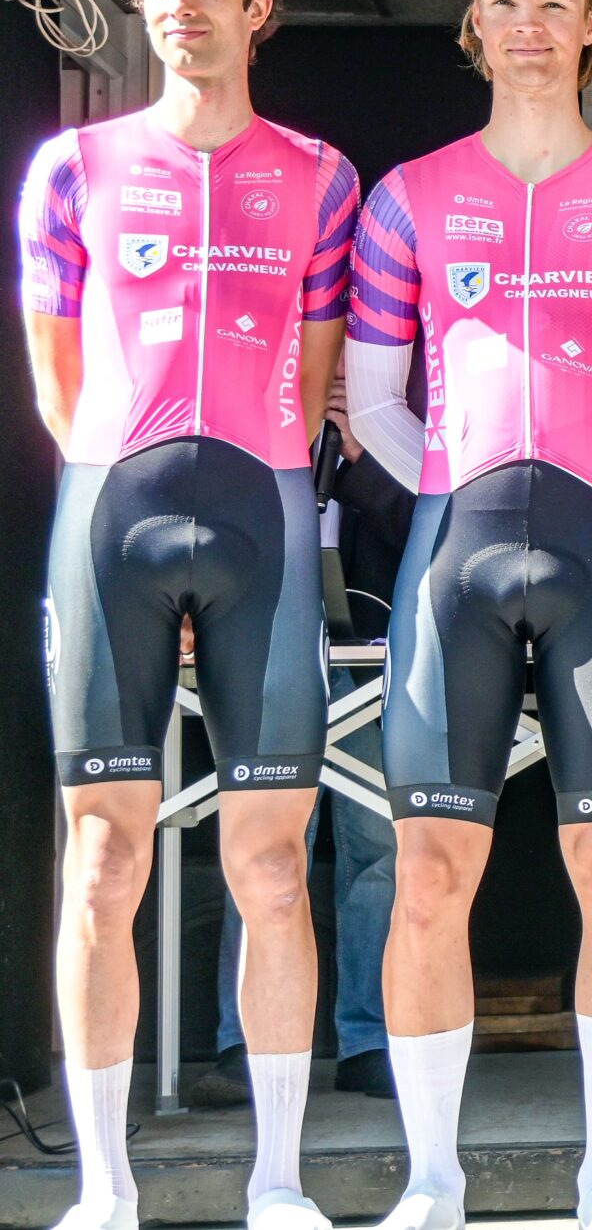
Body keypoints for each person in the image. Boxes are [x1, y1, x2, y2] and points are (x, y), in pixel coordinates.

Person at [346, 0, 592, 1230]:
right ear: (475, 27)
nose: (530, 27)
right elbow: (371, 401)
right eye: (505, 3)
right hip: (457, 560)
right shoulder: (410, 196)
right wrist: (451, 489)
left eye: (554, 4)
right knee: (431, 874)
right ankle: (431, 1177)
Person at [17, 0, 357, 1230]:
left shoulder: (321, 175)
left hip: (261, 515)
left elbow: (313, 382)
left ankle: (278, 1179)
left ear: (256, 7)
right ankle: (104, 1187)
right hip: (115, 515)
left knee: (272, 863)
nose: (182, 10)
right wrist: (123, 481)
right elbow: (56, 381)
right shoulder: (74, 167)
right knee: (104, 859)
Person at [195, 371, 411, 1110]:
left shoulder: (401, 413)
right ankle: (245, 1039)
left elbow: (440, 527)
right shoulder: (251, 393)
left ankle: (369, 1039)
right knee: (262, 844)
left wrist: (362, 455)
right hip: (265, 638)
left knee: (378, 842)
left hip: (371, 651)